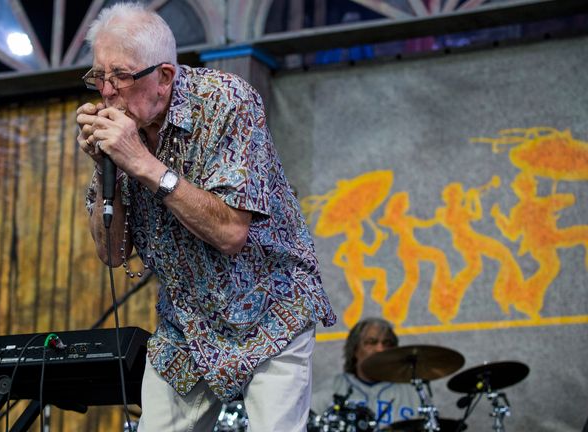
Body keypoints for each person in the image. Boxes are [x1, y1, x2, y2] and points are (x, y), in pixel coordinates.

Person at [75, 3, 336, 431]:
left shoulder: (227, 102)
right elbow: (113, 252)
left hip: (270, 311)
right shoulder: (122, 136)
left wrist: (140, 162)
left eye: (120, 76)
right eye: (98, 77)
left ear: (164, 76)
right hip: (187, 326)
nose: (106, 92)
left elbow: (231, 231)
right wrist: (105, 168)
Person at [326, 317, 420, 428]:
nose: (380, 349)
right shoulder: (330, 389)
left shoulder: (414, 394)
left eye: (387, 343)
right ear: (355, 350)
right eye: (371, 342)